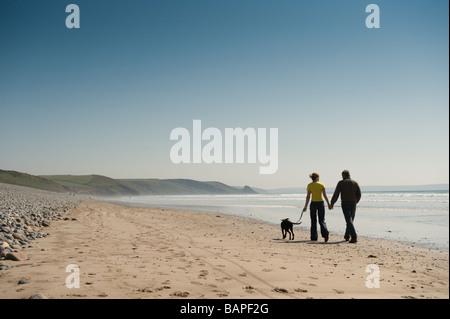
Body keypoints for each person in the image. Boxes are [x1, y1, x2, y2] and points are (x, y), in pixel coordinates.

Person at [330, 170, 361, 243]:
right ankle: (347, 235)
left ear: (343, 175)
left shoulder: (341, 183)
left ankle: (354, 236)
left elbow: (336, 194)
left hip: (345, 203)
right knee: (350, 220)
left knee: (348, 220)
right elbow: (359, 194)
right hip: (353, 203)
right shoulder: (355, 182)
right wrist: (356, 201)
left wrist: (332, 203)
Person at [303, 172, 332, 242]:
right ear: (317, 178)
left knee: (313, 220)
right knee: (321, 220)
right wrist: (328, 204)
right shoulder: (321, 184)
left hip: (313, 203)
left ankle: (314, 237)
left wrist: (305, 206)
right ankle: (325, 232)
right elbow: (325, 195)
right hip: (321, 203)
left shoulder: (309, 185)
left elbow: (308, 197)